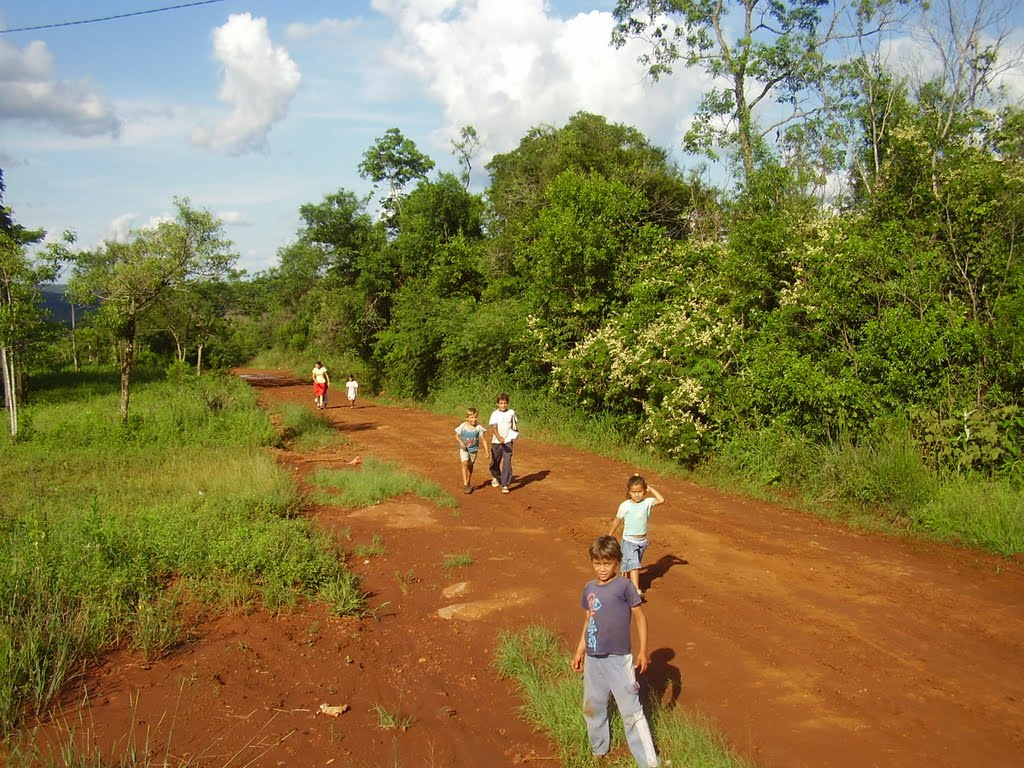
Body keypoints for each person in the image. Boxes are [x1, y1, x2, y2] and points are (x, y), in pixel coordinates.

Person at [572, 535, 659, 768]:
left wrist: (643, 651)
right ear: (592, 562)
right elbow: (588, 620)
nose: (602, 569)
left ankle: (649, 762)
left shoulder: (625, 586)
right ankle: (598, 748)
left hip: (619, 659)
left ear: (617, 563)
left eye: (607, 563)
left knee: (631, 711)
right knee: (593, 706)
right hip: (593, 658)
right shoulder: (589, 588)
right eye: (598, 563)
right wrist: (580, 650)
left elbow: (640, 618)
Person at [609, 474, 665, 598]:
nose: (637, 494)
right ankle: (635, 590)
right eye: (633, 492)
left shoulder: (647, 502)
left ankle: (621, 585)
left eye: (640, 491)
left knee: (629, 566)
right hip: (629, 541)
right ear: (629, 492)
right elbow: (617, 520)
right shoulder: (625, 505)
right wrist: (610, 534)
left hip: (642, 542)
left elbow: (661, 500)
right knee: (634, 565)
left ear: (644, 491)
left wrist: (651, 488)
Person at [487, 392, 518, 494]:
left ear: (507, 403)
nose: (503, 405)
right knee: (495, 462)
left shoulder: (512, 413)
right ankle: (496, 476)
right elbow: (494, 428)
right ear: (497, 404)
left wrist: (513, 435)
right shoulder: (495, 414)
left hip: (508, 442)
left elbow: (514, 426)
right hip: (496, 442)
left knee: (507, 462)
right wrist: (499, 437)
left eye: (505, 403)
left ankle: (505, 484)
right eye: (501, 403)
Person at [454, 407, 490, 494]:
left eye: (475, 417)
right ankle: (465, 484)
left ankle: (468, 480)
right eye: (471, 417)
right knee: (464, 463)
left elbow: (483, 439)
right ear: (467, 418)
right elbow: (456, 436)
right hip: (464, 449)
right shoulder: (463, 426)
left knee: (470, 466)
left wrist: (486, 451)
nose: (474, 419)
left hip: (473, 450)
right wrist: (461, 443)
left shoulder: (478, 427)